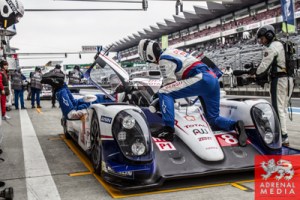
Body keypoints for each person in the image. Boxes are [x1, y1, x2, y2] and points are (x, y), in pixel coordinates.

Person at [138, 39, 247, 145]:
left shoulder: (163, 59)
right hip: (212, 79)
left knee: (164, 92)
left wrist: (158, 99)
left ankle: (168, 130)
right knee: (213, 119)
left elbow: (168, 86)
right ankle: (235, 125)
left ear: (149, 55)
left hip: (201, 79)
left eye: (148, 60)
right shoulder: (170, 51)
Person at [255, 24, 294, 146]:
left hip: (279, 80)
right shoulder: (281, 44)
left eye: (262, 38)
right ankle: (284, 135)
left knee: (277, 109)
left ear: (269, 35)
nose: (261, 42)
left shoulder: (272, 47)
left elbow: (263, 67)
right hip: (289, 80)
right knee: (283, 109)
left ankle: (283, 137)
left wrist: (255, 73)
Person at [41, 72, 113, 119]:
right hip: (109, 100)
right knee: (76, 104)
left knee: (76, 106)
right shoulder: (78, 72)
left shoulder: (72, 72)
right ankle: (60, 84)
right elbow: (81, 76)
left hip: (107, 101)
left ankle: (60, 84)